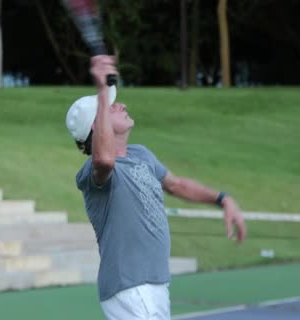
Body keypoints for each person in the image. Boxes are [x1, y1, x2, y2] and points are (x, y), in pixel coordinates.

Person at [65, 55, 247, 320]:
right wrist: (103, 92)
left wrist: (223, 199)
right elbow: (104, 159)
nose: (121, 104)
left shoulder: (141, 154)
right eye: (112, 106)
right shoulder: (92, 173)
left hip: (154, 283)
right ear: (97, 124)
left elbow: (176, 185)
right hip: (130, 285)